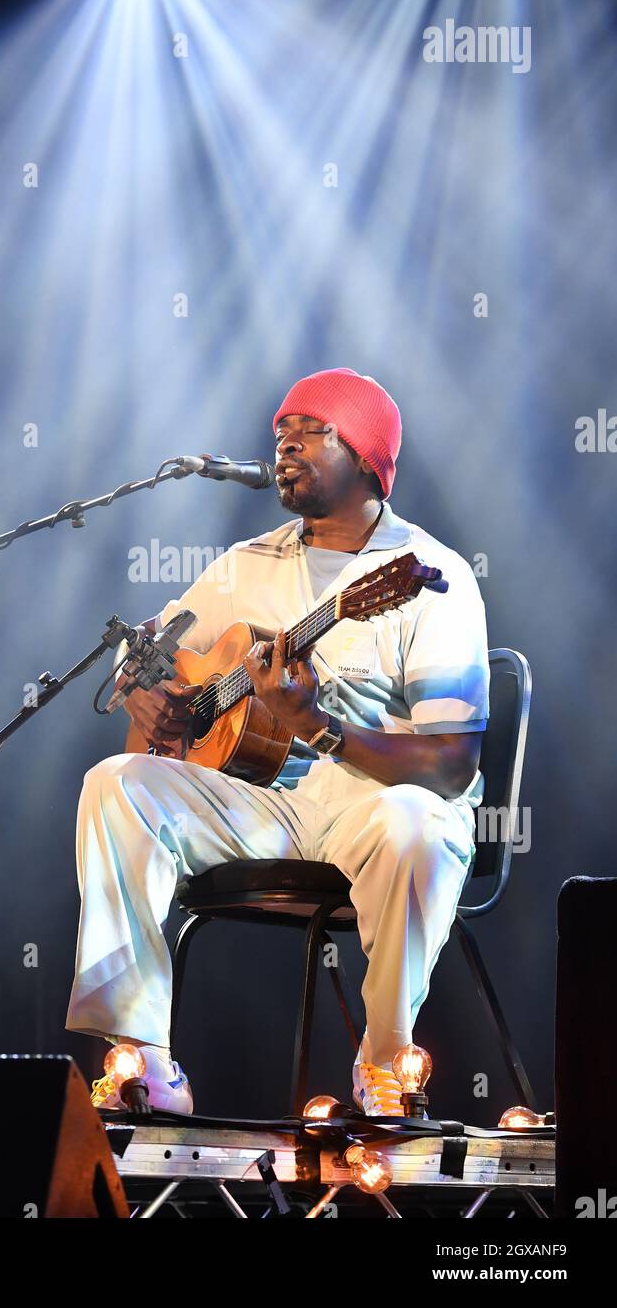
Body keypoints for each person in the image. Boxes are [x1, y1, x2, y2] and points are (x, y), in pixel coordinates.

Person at [66, 367, 489, 1116]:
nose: (284, 445)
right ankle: (142, 1065)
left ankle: (386, 1063)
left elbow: (450, 767)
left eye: (310, 430)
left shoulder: (425, 575)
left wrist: (317, 726)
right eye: (279, 434)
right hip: (270, 809)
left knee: (414, 822)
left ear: (365, 456)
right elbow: (148, 652)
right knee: (117, 782)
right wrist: (148, 692)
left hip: (378, 805)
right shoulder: (243, 565)